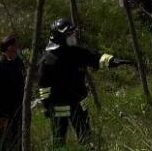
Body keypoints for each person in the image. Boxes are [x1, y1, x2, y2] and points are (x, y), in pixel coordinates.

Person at [36, 18, 131, 146]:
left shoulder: (77, 52)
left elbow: (95, 58)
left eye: (72, 32)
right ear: (59, 37)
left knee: (86, 138)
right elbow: (43, 85)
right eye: (69, 34)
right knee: (59, 141)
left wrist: (112, 61)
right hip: (59, 107)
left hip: (79, 103)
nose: (73, 35)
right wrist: (46, 105)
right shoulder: (49, 59)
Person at [0, 35, 24, 151]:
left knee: (16, 143)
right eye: (14, 47)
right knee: (0, 144)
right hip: (3, 115)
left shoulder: (18, 64)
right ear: (7, 48)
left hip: (17, 112)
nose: (16, 49)